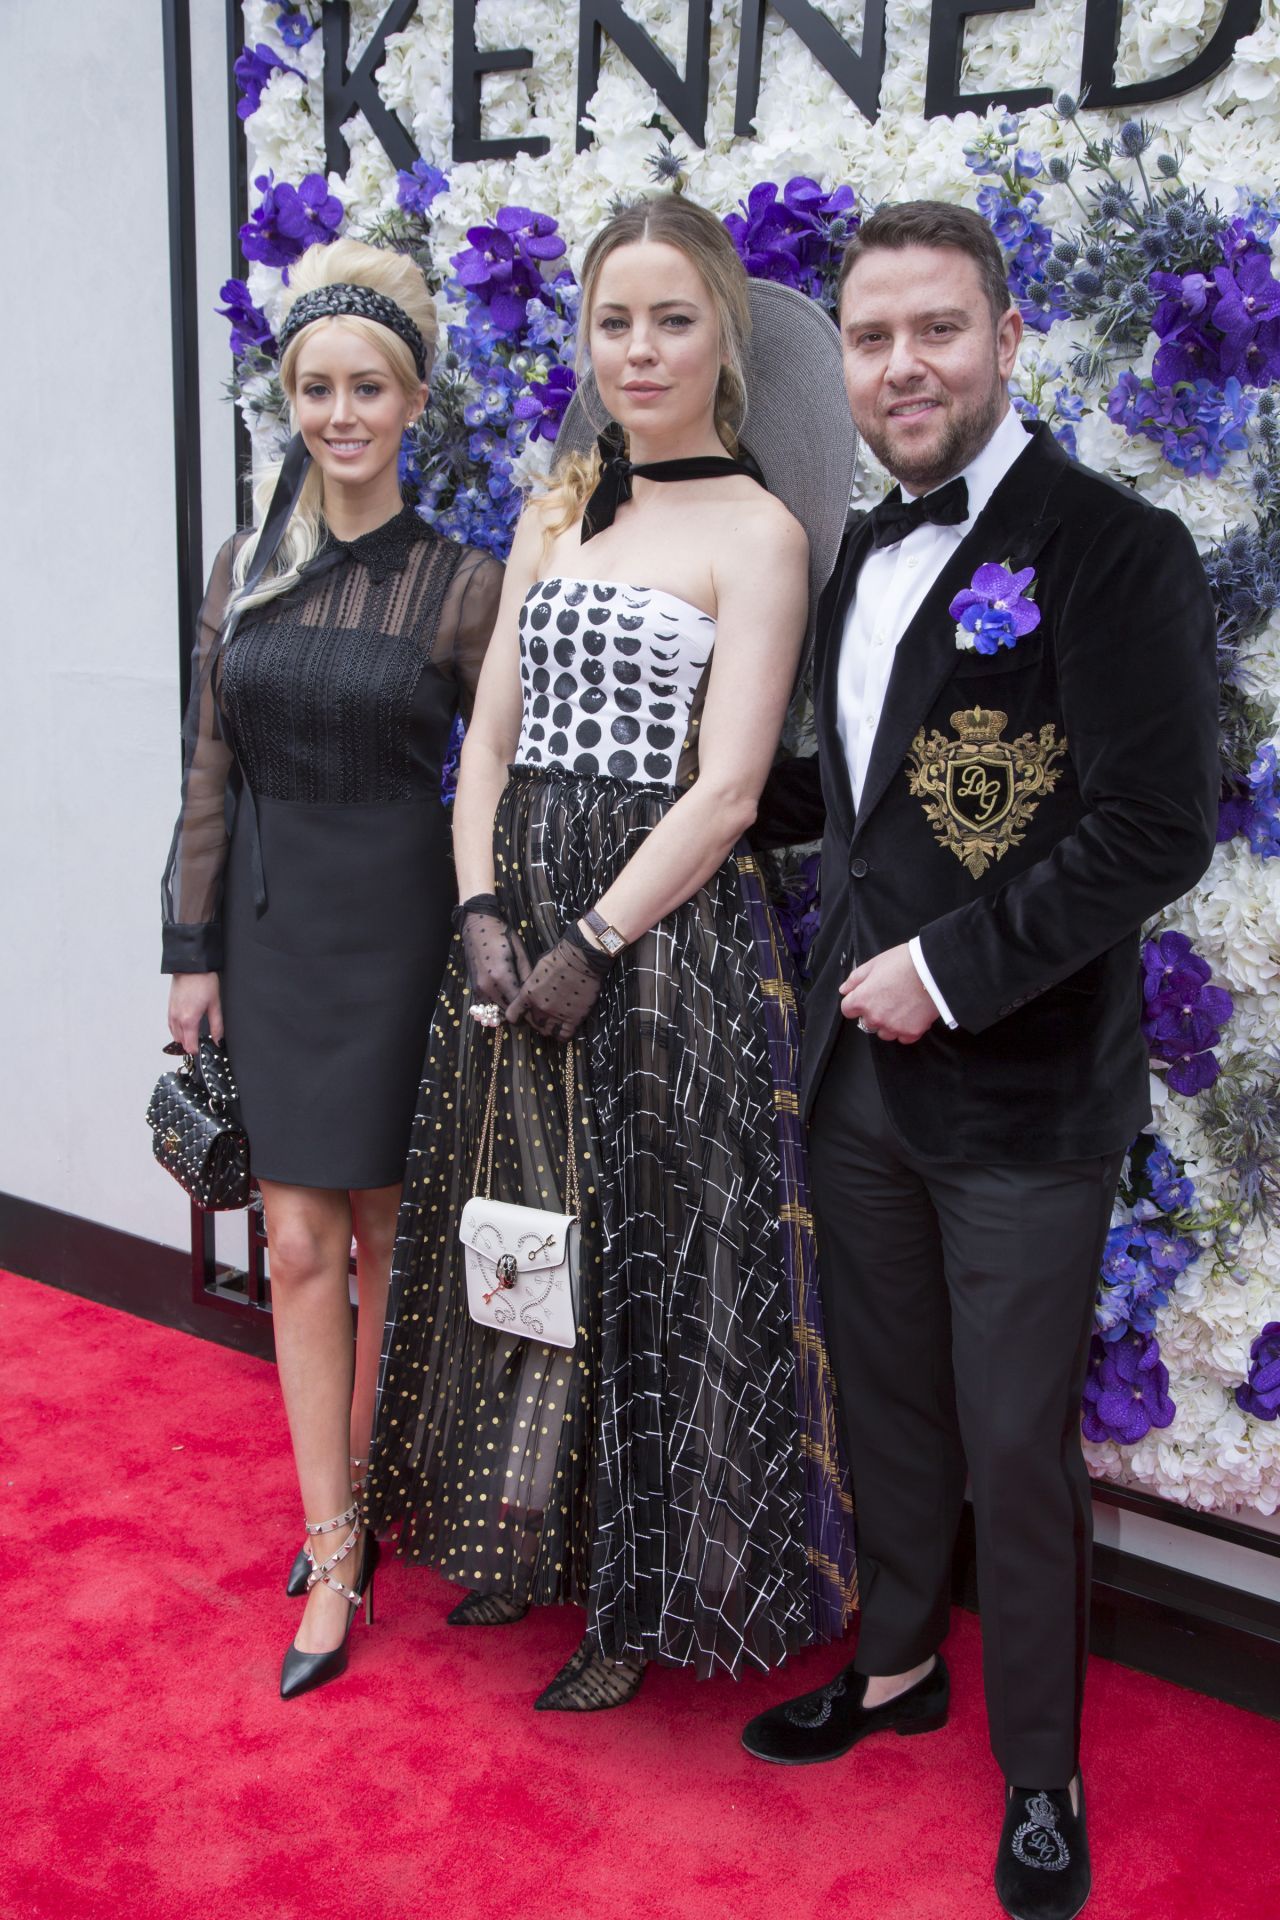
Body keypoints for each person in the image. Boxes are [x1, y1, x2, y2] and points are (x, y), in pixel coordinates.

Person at [741, 202, 1218, 1920]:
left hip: (1022, 1091)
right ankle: (894, 1666)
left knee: (1016, 1444)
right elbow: (853, 801)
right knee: (883, 1401)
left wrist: (947, 976)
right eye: (872, 339)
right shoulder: (858, 550)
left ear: (1008, 338)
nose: (902, 366)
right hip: (854, 1083)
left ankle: (1040, 1772)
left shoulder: (1115, 546)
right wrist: (693, 801)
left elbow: (1154, 827)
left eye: (936, 330)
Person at [365, 193, 857, 1708]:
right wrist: (481, 909)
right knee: (520, 1230)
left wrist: (591, 940)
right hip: (516, 920)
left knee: (651, 1251)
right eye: (613, 322)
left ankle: (638, 1600)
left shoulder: (762, 532)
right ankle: (527, 1538)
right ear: (585, 339)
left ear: (724, 342)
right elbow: (487, 742)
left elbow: (729, 789)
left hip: (662, 936)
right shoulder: (558, 507)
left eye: (672, 320)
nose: (639, 350)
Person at [161, 237, 502, 1700]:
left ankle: (372, 1485)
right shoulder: (244, 571)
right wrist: (189, 950)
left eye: (369, 387)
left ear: (415, 401)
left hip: (404, 937)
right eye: (316, 389)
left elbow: (503, 785)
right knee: (296, 1245)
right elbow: (207, 768)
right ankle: (334, 1535)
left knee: (387, 1242)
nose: (341, 414)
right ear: (289, 401)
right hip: (272, 931)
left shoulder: (465, 585)